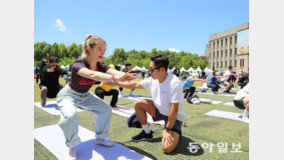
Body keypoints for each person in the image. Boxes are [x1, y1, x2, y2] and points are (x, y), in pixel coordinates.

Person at [56, 35, 136, 159]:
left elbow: (114, 72)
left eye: (104, 50)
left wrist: (126, 76)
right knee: (69, 116)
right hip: (68, 94)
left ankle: (100, 137)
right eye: (99, 49)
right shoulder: (78, 64)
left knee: (105, 109)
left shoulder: (100, 64)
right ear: (89, 48)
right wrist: (115, 78)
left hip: (85, 95)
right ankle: (72, 145)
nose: (103, 53)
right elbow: (92, 75)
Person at [107, 54, 185, 153]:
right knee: (138, 103)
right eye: (149, 69)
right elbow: (135, 84)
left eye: (152, 69)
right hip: (160, 111)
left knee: (167, 149)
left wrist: (168, 130)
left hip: (174, 118)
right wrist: (116, 83)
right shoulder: (153, 79)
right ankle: (147, 133)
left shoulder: (174, 83)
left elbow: (174, 109)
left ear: (162, 70)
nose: (149, 72)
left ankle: (175, 132)